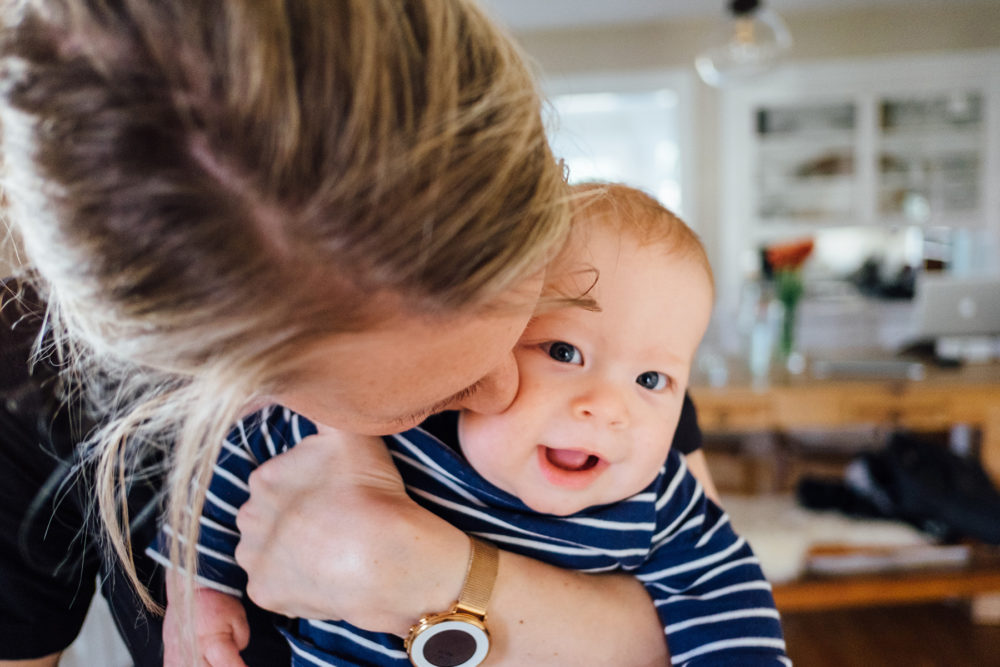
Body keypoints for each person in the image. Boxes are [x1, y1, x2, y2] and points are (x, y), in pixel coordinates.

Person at [0, 2, 717, 665]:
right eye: (427, 397)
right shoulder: (27, 394)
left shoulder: (606, 311)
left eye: (533, 322)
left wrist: (442, 577)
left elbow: (711, 607)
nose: (507, 389)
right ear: (230, 385)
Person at [156, 183, 789, 666]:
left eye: (652, 381)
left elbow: (729, 601)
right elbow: (239, 453)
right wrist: (199, 589)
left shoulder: (659, 498)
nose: (607, 405)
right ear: (489, 335)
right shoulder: (395, 424)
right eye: (564, 353)